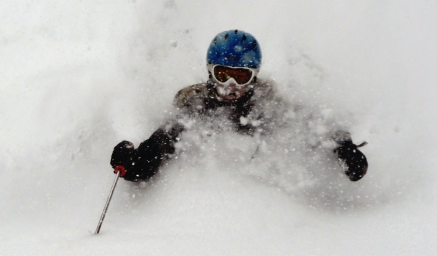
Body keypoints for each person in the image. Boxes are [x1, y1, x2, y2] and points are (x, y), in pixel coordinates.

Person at [110, 29, 368, 183]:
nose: (231, 85)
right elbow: (157, 150)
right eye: (223, 75)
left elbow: (310, 124)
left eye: (242, 76)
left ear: (255, 76)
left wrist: (344, 148)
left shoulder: (266, 104)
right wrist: (132, 166)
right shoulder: (194, 105)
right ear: (210, 72)